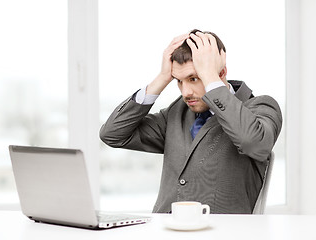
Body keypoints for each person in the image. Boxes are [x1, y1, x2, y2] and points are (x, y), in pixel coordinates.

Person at [99, 29, 282, 214]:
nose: (185, 92)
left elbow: (254, 143)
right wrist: (162, 78)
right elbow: (112, 134)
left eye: (194, 78)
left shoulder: (261, 107)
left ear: (221, 72)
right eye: (179, 81)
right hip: (165, 230)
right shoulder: (177, 112)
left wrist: (211, 78)